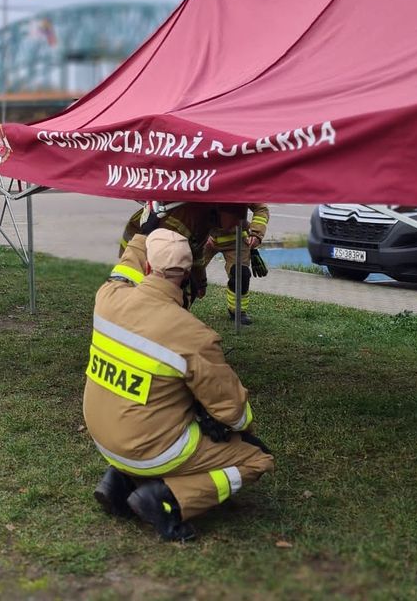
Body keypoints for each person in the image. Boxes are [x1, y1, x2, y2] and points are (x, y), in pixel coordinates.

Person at [83, 229, 274, 541]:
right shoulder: (194, 335)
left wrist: (145, 233)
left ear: (146, 268)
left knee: (154, 417)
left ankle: (119, 480)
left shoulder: (108, 297)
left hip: (102, 436)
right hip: (148, 448)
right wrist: (245, 435)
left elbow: (125, 266)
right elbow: (232, 411)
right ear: (188, 276)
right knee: (256, 459)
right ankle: (166, 499)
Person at [204, 203, 270, 325]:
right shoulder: (203, 184)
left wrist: (256, 234)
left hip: (236, 238)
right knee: (188, 271)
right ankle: (179, 304)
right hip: (204, 237)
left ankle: (237, 311)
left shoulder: (240, 185)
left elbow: (261, 208)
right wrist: (200, 231)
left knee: (241, 274)